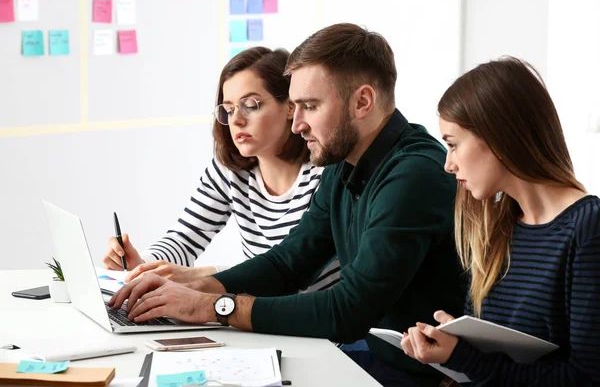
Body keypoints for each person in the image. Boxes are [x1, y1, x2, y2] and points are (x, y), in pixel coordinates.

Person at [109, 23, 466, 387]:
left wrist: (212, 307)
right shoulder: (346, 164)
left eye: (310, 107)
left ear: (362, 102)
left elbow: (349, 309)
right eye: (295, 107)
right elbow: (289, 262)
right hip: (377, 357)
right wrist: (198, 290)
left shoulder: (414, 174)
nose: (297, 125)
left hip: (421, 374)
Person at [401, 57, 600, 386]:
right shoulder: (497, 228)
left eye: (452, 145)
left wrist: (462, 357)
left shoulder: (587, 229)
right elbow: (488, 363)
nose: (448, 164)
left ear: (498, 138)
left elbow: (586, 378)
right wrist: (452, 349)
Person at [102, 47, 340, 292]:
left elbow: (294, 272)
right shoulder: (229, 171)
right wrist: (143, 264)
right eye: (228, 109)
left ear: (290, 106)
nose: (236, 120)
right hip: (256, 316)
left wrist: (208, 275)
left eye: (250, 105)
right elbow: (185, 238)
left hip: (313, 322)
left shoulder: (325, 174)